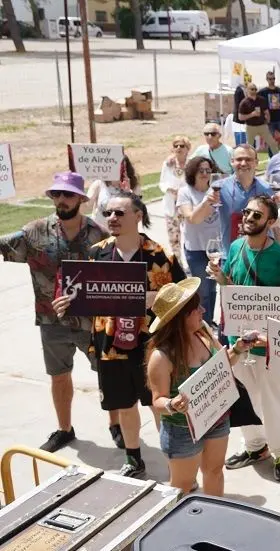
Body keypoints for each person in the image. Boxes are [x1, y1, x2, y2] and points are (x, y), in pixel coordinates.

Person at [53, 190, 187, 477]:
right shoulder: (96, 253)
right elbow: (83, 295)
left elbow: (183, 296)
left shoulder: (160, 256)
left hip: (151, 344)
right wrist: (67, 303)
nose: (111, 218)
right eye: (108, 213)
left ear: (138, 216)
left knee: (157, 402)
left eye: (119, 213)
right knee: (124, 404)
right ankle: (133, 457)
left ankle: (174, 459)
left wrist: (154, 297)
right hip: (110, 343)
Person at [0, 172, 108, 452]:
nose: (61, 199)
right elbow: (3, 245)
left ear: (81, 200)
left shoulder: (99, 235)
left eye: (68, 194)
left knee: (109, 373)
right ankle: (64, 429)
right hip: (51, 321)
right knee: (59, 376)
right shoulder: (34, 231)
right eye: (56, 194)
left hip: (91, 322)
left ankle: (117, 424)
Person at [208, 194, 280, 481]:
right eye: (247, 213)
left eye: (256, 215)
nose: (248, 218)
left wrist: (269, 324)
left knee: (274, 399)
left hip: (268, 344)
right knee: (243, 397)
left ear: (271, 222)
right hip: (238, 341)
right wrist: (219, 276)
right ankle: (255, 447)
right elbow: (232, 286)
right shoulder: (235, 247)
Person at [146, 277, 241, 496]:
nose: (203, 310)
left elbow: (223, 363)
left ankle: (215, 519)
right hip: (182, 430)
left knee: (215, 471)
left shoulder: (204, 331)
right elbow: (157, 400)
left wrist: (237, 349)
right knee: (182, 488)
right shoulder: (161, 357)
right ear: (181, 317)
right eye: (196, 308)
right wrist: (172, 404)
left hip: (216, 418)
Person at [177, 157, 223, 325]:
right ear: (192, 173)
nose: (205, 174)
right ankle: (202, 325)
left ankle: (209, 321)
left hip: (217, 249)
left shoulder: (218, 190)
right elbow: (192, 218)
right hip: (196, 249)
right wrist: (207, 201)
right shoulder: (185, 192)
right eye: (200, 170)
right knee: (202, 290)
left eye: (208, 170)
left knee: (213, 289)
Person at [217, 144, 280, 257]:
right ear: (232, 162)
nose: (243, 163)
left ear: (256, 163)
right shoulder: (219, 188)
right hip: (231, 257)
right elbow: (196, 219)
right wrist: (206, 202)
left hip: (262, 257)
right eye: (239, 159)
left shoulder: (268, 189)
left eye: (248, 159)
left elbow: (277, 225)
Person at [86, 156, 141, 228]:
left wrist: (128, 193)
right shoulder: (99, 183)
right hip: (100, 232)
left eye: (121, 166)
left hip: (122, 232)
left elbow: (138, 211)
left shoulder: (133, 185)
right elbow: (86, 207)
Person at [160, 136, 190, 264]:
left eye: (182, 146)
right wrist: (170, 189)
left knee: (189, 235)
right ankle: (178, 263)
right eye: (176, 146)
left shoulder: (192, 164)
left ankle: (190, 261)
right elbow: (162, 183)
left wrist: (182, 192)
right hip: (171, 204)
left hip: (187, 205)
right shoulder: (168, 164)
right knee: (174, 237)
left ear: (187, 148)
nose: (178, 148)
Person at [238, 83, 280, 156]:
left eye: (255, 89)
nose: (254, 91)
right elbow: (240, 117)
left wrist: (268, 121)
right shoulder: (244, 102)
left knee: (272, 143)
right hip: (250, 127)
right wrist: (252, 114)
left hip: (262, 126)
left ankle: (278, 160)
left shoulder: (261, 100)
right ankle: (250, 161)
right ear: (247, 90)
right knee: (249, 146)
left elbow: (266, 112)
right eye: (252, 89)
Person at [260, 71, 280, 138]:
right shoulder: (262, 92)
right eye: (270, 79)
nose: (272, 80)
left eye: (273, 78)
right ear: (266, 79)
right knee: (270, 140)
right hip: (269, 121)